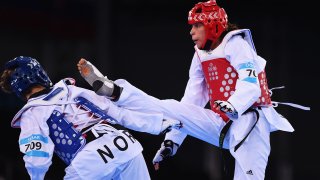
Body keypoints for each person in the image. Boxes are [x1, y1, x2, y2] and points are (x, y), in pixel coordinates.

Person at [77, 0, 310, 179]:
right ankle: (117, 91)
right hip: (221, 121)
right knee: (169, 108)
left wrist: (233, 104)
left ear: (212, 25)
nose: (191, 32)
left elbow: (250, 83)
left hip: (250, 121)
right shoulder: (200, 55)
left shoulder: (236, 43)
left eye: (197, 25)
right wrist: (172, 141)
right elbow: (191, 100)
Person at [0, 56, 182, 180]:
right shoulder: (72, 90)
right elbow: (118, 113)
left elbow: (38, 158)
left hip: (91, 159)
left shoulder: (32, 112)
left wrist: (36, 178)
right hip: (126, 144)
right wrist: (157, 125)